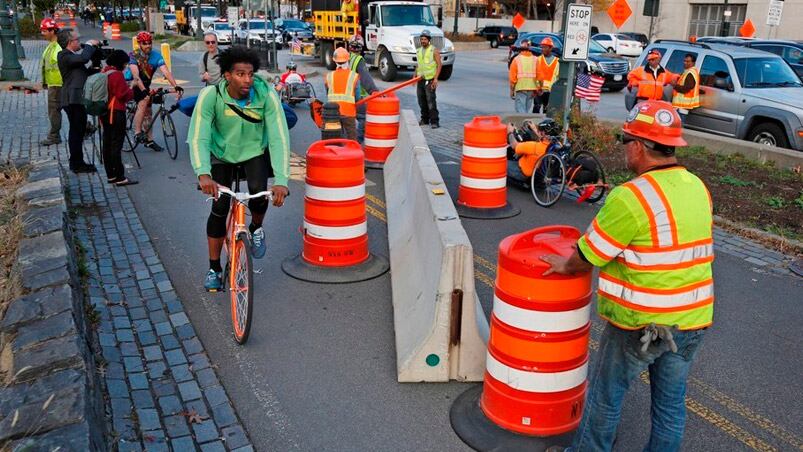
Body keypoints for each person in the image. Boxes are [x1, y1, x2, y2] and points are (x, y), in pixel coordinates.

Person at [543, 100, 714, 452]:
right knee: (669, 407)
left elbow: (586, 257)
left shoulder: (631, 197)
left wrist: (563, 266)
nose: (625, 150)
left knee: (606, 397)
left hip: (641, 324)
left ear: (638, 146)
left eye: (625, 141)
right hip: (692, 320)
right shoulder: (697, 186)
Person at [188, 46, 291, 292]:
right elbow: (198, 137)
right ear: (227, 75)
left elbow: (279, 137)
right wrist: (203, 173)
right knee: (220, 206)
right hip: (221, 154)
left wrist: (282, 180)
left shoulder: (265, 95)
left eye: (250, 74)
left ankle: (255, 227)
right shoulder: (211, 96)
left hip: (253, 152)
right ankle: (214, 267)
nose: (247, 80)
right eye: (240, 74)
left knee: (259, 192)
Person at [129, 31, 183, 152]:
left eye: (149, 43)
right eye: (144, 43)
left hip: (145, 85)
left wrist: (176, 86)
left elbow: (166, 72)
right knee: (143, 103)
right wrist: (144, 92)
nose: (148, 45)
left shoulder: (156, 56)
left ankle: (149, 140)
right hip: (133, 83)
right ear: (139, 44)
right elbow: (136, 76)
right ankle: (137, 132)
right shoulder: (135, 55)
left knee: (149, 113)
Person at [56, 29, 98, 173]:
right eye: (77, 40)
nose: (79, 42)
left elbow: (82, 74)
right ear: (69, 42)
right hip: (71, 99)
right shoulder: (64, 55)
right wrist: (89, 45)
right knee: (76, 131)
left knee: (78, 131)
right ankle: (77, 163)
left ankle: (77, 162)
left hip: (77, 98)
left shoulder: (72, 57)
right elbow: (83, 58)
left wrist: (95, 69)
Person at [101, 50, 136, 186]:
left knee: (107, 143)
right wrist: (131, 88)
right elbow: (123, 95)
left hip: (105, 112)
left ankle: (110, 175)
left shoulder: (105, 72)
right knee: (116, 144)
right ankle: (120, 176)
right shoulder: (117, 75)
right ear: (120, 63)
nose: (126, 66)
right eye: (125, 63)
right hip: (115, 112)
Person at [347, 34, 379, 141]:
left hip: (346, 94)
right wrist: (374, 91)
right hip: (359, 94)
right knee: (362, 117)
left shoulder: (346, 57)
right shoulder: (359, 60)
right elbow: (365, 78)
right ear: (361, 47)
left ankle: (349, 140)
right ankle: (357, 141)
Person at [325, 47, 360, 140]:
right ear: (347, 60)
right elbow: (357, 96)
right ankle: (352, 153)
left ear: (335, 61)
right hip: (348, 112)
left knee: (334, 138)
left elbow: (327, 93)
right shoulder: (354, 76)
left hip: (333, 113)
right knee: (351, 137)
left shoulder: (329, 76)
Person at [505, 119, 551, 187]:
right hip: (537, 174)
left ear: (542, 132)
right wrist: (534, 129)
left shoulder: (534, 146)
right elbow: (543, 138)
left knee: (500, 164)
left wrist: (510, 132)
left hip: (522, 172)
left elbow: (514, 145)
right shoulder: (553, 146)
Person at [40, 18, 63, 146]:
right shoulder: (52, 45)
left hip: (57, 85)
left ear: (52, 31)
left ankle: (54, 136)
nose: (42, 33)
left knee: (54, 111)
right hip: (54, 84)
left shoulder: (57, 47)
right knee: (69, 108)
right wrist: (44, 81)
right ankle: (85, 127)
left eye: (44, 31)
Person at [416, 29, 442, 129]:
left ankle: (435, 121)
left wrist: (435, 79)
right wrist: (414, 76)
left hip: (430, 80)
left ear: (429, 40)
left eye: (425, 39)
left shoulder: (434, 50)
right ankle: (425, 119)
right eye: (422, 39)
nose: (423, 41)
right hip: (420, 80)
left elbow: (439, 65)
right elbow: (418, 65)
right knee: (421, 101)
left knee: (431, 101)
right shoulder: (418, 51)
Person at [508, 38, 538, 113]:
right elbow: (539, 76)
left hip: (521, 88)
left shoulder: (516, 60)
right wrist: (537, 89)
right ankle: (526, 124)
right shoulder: (536, 59)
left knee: (521, 112)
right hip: (532, 89)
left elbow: (513, 78)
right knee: (526, 111)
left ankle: (523, 124)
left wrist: (512, 90)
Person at [671, 53, 700, 124]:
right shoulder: (691, 72)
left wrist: (675, 85)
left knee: (677, 126)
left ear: (693, 63)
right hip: (683, 105)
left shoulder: (690, 73)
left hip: (682, 105)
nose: (685, 63)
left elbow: (686, 88)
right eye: (684, 61)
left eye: (688, 61)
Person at [534, 37, 559, 113]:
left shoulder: (557, 61)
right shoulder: (538, 59)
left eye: (545, 47)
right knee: (536, 108)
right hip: (539, 89)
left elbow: (558, 77)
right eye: (542, 47)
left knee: (547, 111)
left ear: (550, 48)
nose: (543, 49)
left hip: (550, 91)